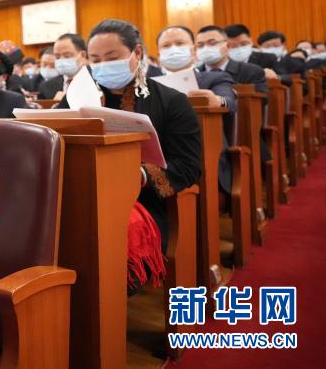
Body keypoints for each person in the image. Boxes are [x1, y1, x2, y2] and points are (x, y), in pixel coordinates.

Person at [58, 19, 202, 292]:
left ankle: (101, 305)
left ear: (136, 52)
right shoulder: (78, 97)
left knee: (102, 251)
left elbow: (189, 166)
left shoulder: (171, 101)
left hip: (142, 203)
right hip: (82, 197)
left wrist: (141, 175)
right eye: (96, 60)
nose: (103, 66)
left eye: (112, 58)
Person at [156, 25, 237, 194]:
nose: (173, 50)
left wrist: (217, 100)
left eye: (180, 43)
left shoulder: (214, 77)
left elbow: (229, 101)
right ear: (158, 54)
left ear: (193, 49)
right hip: (158, 159)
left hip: (203, 156)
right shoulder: (147, 85)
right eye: (166, 46)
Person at [196, 25, 268, 95]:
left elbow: (261, 100)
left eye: (213, 43)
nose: (206, 48)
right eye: (200, 45)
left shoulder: (251, 72)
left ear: (228, 46)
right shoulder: (194, 74)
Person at [40, 33, 89, 101]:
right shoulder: (47, 86)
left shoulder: (96, 81)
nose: (61, 60)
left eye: (67, 56)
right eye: (57, 57)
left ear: (83, 55)